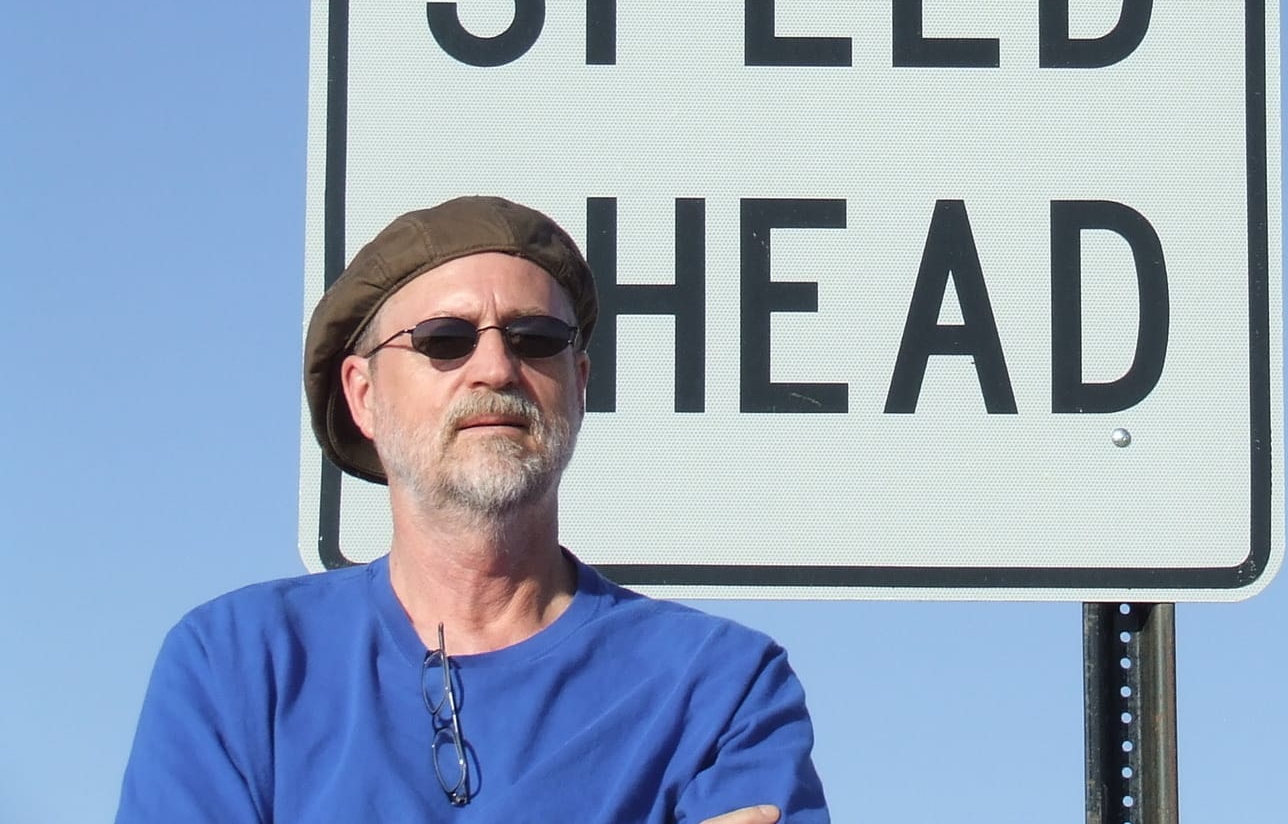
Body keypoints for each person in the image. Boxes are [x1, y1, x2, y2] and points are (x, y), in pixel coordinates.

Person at [116, 195, 829, 822]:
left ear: (579, 384)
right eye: (444, 341)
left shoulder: (720, 687)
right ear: (364, 395)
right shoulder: (239, 666)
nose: (495, 368)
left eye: (535, 339)